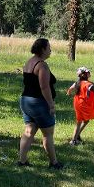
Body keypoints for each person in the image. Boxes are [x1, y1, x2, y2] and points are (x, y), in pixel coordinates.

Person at [18, 38, 63, 169]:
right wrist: (51, 104)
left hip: (26, 101)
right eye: (49, 48)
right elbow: (44, 87)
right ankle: (54, 163)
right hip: (38, 103)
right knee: (47, 134)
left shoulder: (29, 62)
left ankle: (22, 161)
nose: (50, 50)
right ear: (43, 49)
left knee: (29, 131)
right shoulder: (42, 65)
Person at [67, 66, 94, 145]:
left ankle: (77, 136)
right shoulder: (88, 84)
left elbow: (71, 88)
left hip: (77, 103)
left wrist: (68, 93)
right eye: (87, 72)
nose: (89, 73)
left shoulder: (77, 82)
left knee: (84, 120)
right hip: (83, 104)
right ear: (83, 75)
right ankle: (73, 140)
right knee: (80, 122)